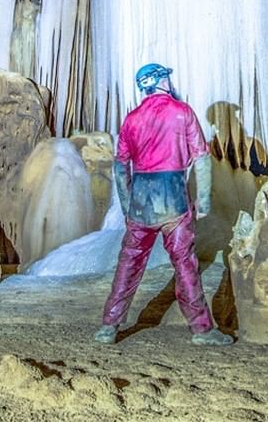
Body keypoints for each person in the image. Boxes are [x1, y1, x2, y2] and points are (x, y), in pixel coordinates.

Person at [94, 63, 233, 346]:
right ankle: (202, 330)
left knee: (129, 263)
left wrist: (126, 203)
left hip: (141, 200)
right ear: (158, 81)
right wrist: (203, 199)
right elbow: (201, 159)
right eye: (166, 77)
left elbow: (121, 166)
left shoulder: (132, 119)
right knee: (185, 264)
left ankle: (109, 326)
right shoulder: (182, 113)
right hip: (174, 198)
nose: (170, 81)